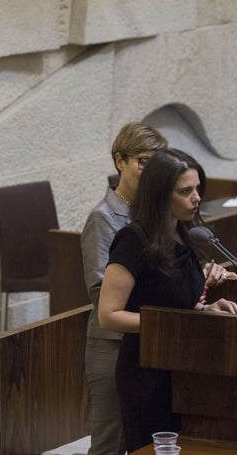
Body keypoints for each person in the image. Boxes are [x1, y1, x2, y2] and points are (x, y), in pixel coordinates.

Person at [98, 148, 237, 453]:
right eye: (186, 191)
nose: (196, 198)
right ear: (161, 195)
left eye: (197, 189)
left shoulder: (186, 235)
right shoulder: (133, 240)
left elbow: (177, 303)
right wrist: (177, 322)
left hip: (183, 367)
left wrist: (204, 308)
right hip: (145, 372)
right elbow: (108, 315)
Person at [81, 122, 167, 455]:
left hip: (147, 342)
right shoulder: (103, 218)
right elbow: (100, 289)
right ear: (120, 161)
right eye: (143, 161)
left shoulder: (153, 216)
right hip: (112, 347)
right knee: (110, 444)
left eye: (156, 163)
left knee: (146, 440)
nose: (150, 171)